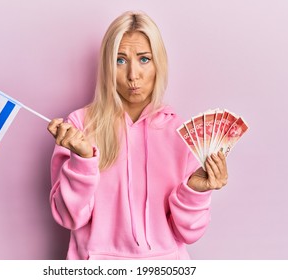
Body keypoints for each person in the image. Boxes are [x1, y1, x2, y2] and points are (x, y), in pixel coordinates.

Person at [47, 11, 228, 260]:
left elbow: (189, 232)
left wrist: (195, 189)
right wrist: (84, 160)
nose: (133, 75)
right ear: (108, 67)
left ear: (158, 64)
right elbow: (69, 217)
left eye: (144, 59)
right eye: (120, 61)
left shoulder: (181, 133)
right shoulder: (79, 126)